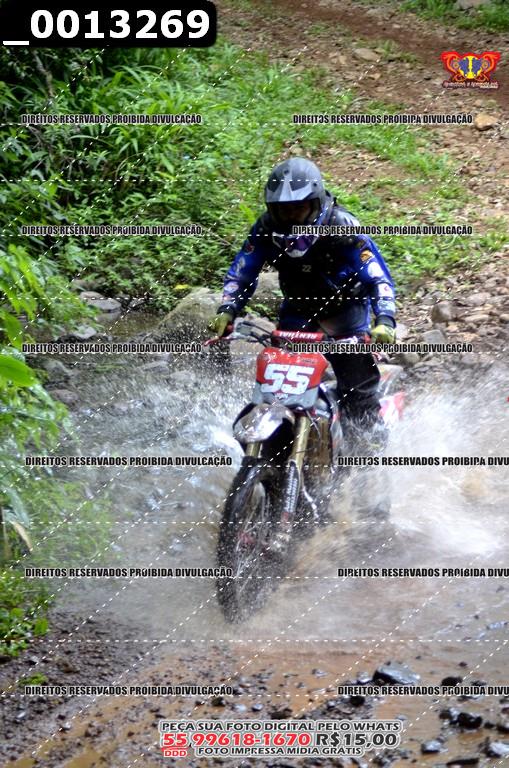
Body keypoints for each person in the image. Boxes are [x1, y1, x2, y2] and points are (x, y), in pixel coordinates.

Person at [208, 157, 397, 451]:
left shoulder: (342, 228)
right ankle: (274, 453)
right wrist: (228, 309)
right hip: (298, 313)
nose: (291, 217)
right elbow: (242, 272)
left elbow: (377, 277)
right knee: (276, 390)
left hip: (345, 315)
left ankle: (369, 459)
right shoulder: (265, 229)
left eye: (298, 208)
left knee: (357, 391)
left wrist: (384, 320)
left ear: (316, 203)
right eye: (283, 211)